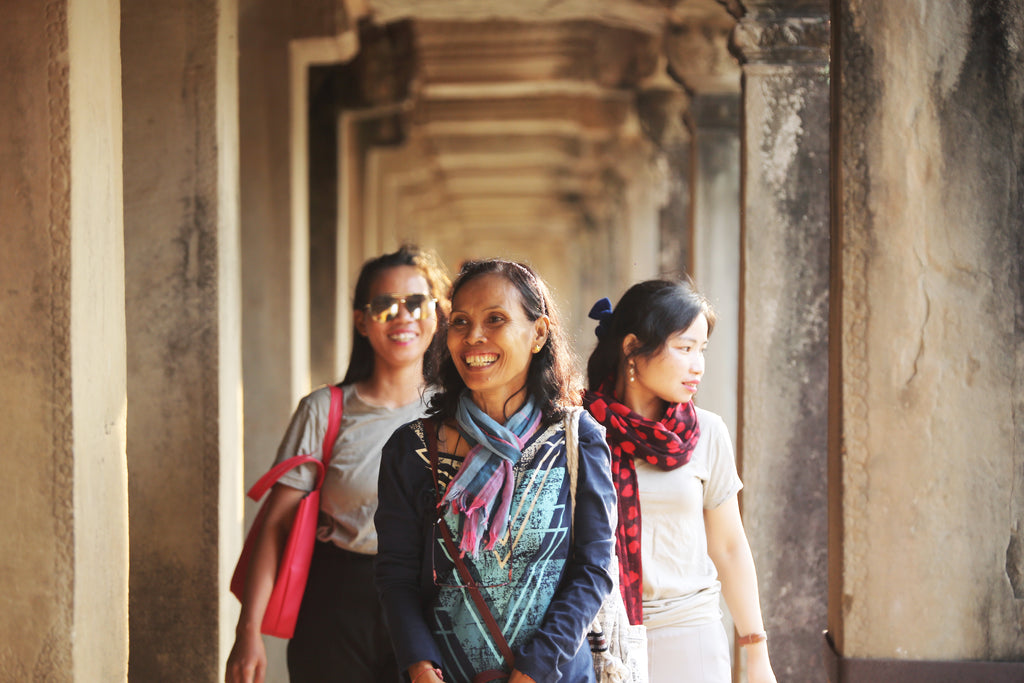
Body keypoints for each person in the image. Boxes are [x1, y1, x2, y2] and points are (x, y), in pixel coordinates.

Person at [375, 259, 616, 683]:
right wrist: (419, 664)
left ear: (538, 333)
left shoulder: (577, 440)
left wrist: (535, 668)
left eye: (496, 319)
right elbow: (396, 574)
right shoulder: (412, 449)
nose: (474, 337)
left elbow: (593, 568)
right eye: (461, 322)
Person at [226, 245, 450, 683]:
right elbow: (275, 525)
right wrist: (248, 632)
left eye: (417, 302)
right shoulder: (324, 411)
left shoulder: (457, 413)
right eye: (384, 306)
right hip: (335, 605)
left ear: (437, 313)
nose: (402, 316)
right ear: (361, 321)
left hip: (430, 602)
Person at [584, 279, 776, 683]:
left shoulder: (707, 433)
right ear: (632, 348)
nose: (698, 365)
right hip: (598, 638)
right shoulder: (582, 434)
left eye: (701, 350)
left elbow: (728, 546)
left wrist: (757, 653)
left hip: (690, 636)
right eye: (685, 348)